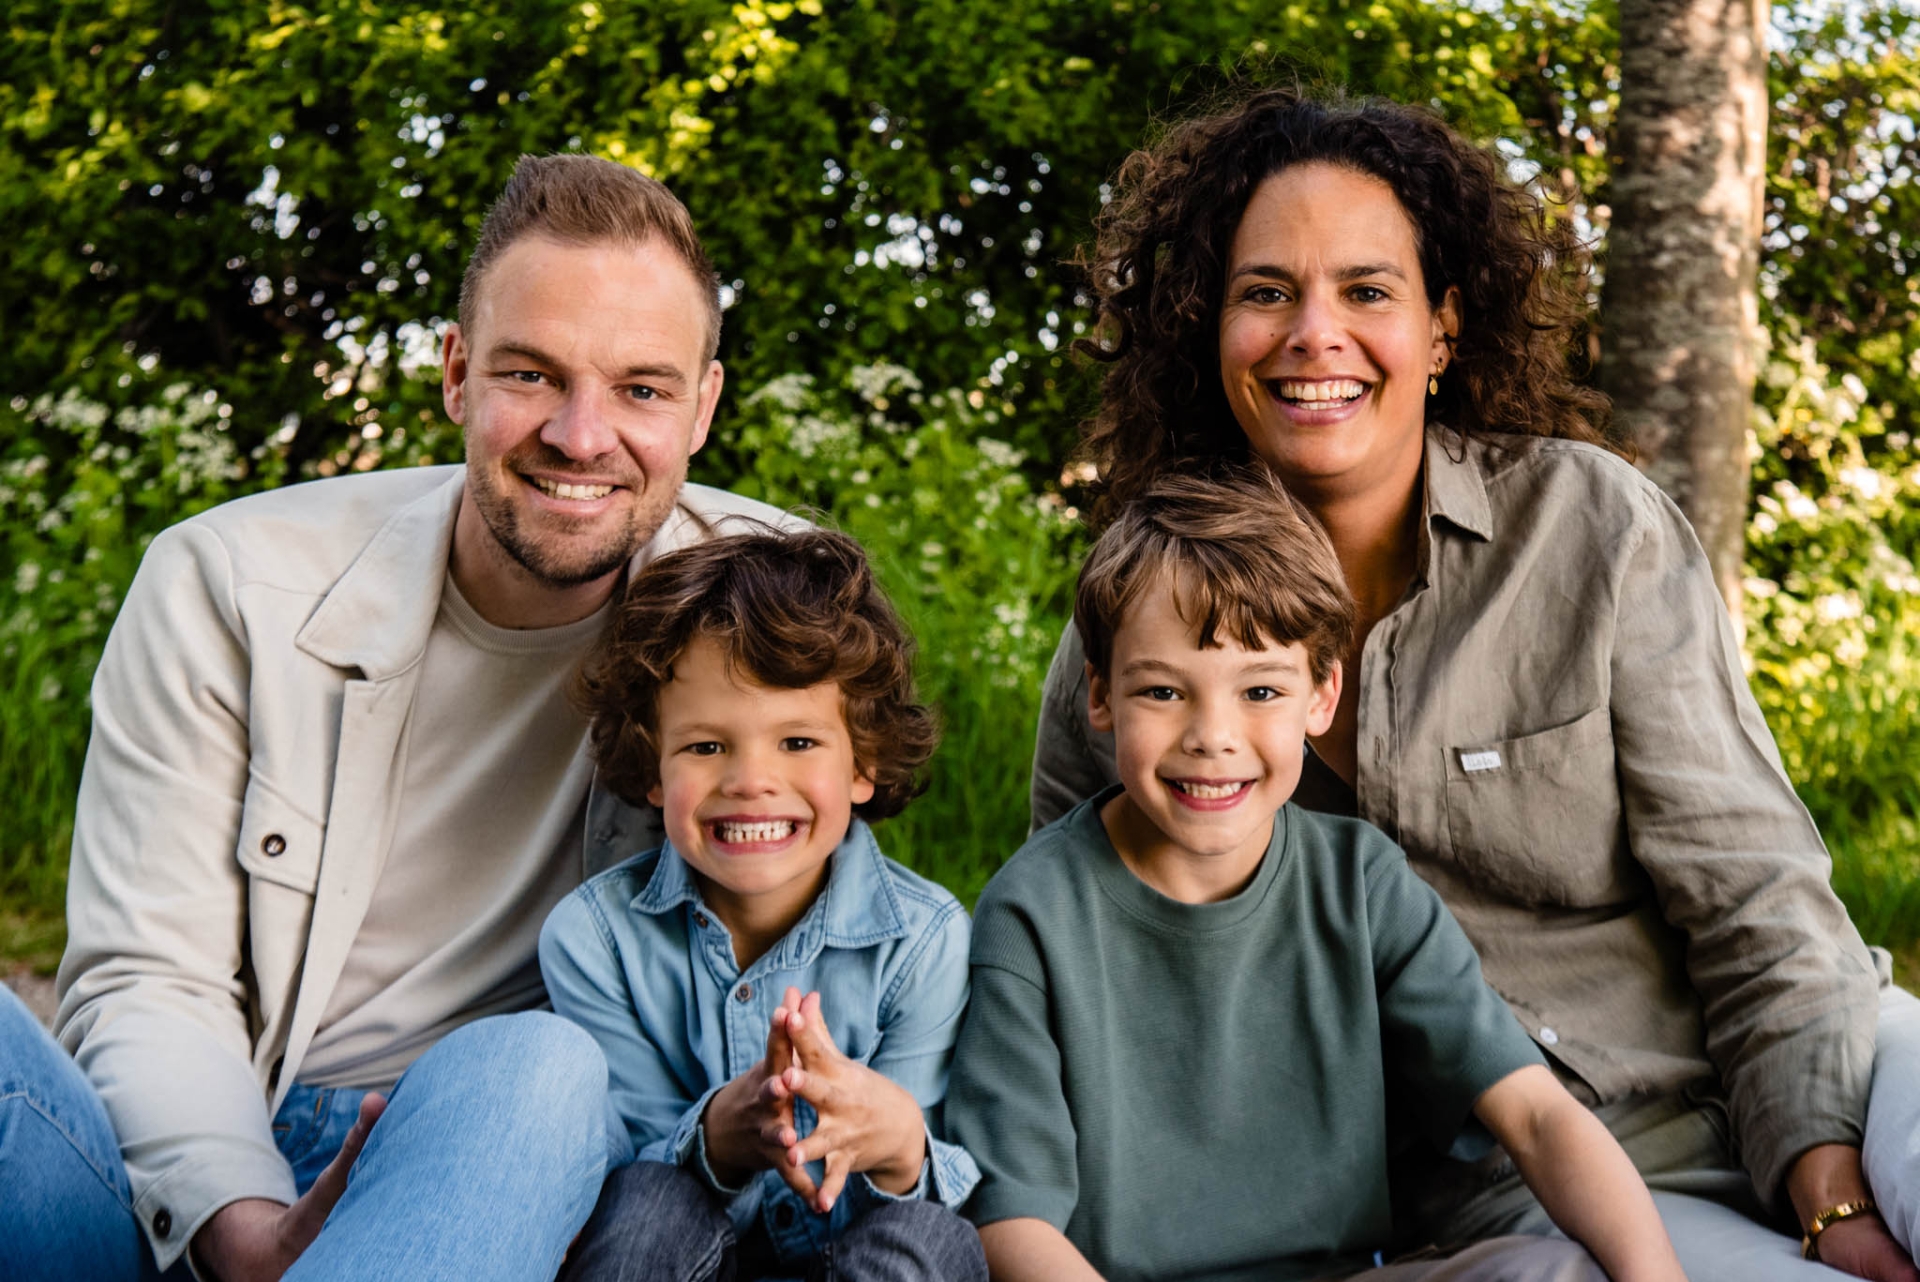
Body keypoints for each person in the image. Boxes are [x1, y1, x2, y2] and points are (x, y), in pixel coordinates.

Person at [1026, 84, 1920, 1282]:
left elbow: (1753, 891)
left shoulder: (1590, 529)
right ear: (1210, 330)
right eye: (1265, 293)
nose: (1314, 334)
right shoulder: (1135, 644)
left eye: (1367, 291)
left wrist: (1825, 1173)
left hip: (1811, 1069)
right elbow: (1085, 992)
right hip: (1529, 1189)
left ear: (1442, 331)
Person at [0, 154, 786, 1281]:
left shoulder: (767, 604)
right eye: (530, 373)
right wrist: (242, 1220)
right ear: (458, 374)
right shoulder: (226, 584)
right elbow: (145, 978)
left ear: (703, 408)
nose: (579, 433)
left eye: (642, 390)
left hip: (490, 1150)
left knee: (539, 1068)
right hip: (187, 1161)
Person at [947, 468, 1684, 1282]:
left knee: (1548, 1273)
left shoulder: (1360, 884)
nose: (1212, 737)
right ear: (1099, 693)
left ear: (1322, 696)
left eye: (1261, 690)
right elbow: (1009, 1224)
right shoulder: (1032, 913)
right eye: (1163, 691)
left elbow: (1538, 1116)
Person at [538, 525, 985, 1282]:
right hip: (688, 1253)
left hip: (858, 1249)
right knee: (645, 1200)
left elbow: (937, 1175)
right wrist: (720, 1135)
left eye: (798, 743)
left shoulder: (924, 939)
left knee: (933, 1238)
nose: (750, 781)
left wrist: (897, 1137)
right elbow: (615, 1165)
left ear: (863, 763)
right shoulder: (595, 938)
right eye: (706, 747)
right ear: (653, 768)